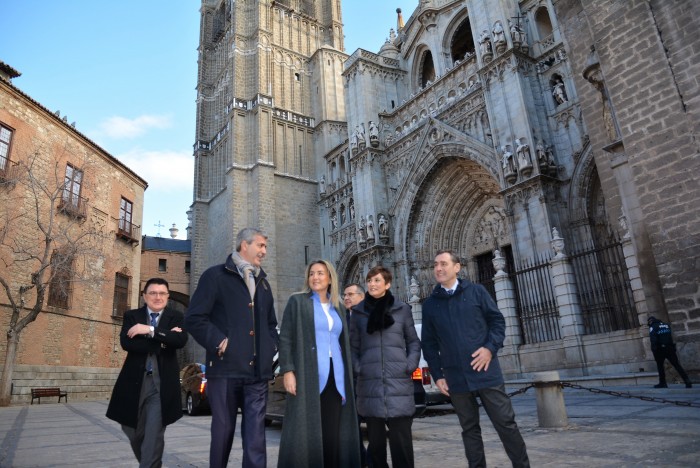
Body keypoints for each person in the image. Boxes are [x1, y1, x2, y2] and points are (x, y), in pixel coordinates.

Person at [421, 251, 530, 468]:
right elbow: (429, 344)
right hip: (456, 378)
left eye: (443, 264)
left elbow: (497, 323)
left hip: (486, 372)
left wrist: (490, 349)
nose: (438, 269)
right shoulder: (430, 305)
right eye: (435, 265)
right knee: (469, 430)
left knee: (505, 424)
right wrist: (438, 375)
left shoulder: (477, 292)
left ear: (457, 267)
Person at [185, 228, 279, 468]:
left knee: (256, 436)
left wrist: (270, 348)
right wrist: (218, 341)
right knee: (223, 431)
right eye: (260, 246)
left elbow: (271, 324)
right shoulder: (214, 276)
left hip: (257, 373)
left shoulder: (264, 284)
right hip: (225, 371)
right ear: (244, 245)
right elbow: (194, 318)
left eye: (265, 247)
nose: (264, 252)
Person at [278, 260, 360, 468]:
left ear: (330, 278)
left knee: (332, 431)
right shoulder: (297, 302)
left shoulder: (339, 307)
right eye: (312, 273)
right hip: (308, 373)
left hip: (336, 375)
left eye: (320, 273)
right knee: (308, 430)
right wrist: (288, 370)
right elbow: (286, 338)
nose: (315, 277)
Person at [106, 278, 188, 468]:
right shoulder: (132, 316)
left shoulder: (176, 316)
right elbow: (127, 344)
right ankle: (151, 463)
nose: (157, 297)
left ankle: (150, 463)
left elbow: (180, 340)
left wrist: (148, 330)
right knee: (131, 430)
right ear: (144, 296)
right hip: (134, 383)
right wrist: (162, 337)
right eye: (152, 293)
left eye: (162, 293)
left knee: (153, 435)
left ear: (167, 297)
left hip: (162, 386)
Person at [350, 266, 421, 468]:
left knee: (402, 448)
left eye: (377, 280)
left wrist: (410, 365)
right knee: (376, 450)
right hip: (370, 387)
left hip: (398, 385)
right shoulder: (358, 313)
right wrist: (359, 368)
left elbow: (414, 342)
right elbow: (352, 346)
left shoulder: (402, 310)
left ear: (387, 284)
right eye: (370, 280)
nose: (372, 284)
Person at [343, 283, 371, 468]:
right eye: (344, 294)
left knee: (376, 425)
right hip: (349, 381)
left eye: (351, 294)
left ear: (362, 297)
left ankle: (372, 460)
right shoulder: (339, 318)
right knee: (351, 427)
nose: (346, 297)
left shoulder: (371, 316)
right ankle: (360, 462)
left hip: (370, 379)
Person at [648, 316, 692, 389]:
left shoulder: (653, 326)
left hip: (660, 349)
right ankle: (687, 380)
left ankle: (663, 383)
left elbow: (653, 339)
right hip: (670, 348)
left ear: (650, 321)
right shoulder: (666, 325)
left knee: (660, 367)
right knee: (677, 365)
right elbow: (670, 337)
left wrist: (654, 350)